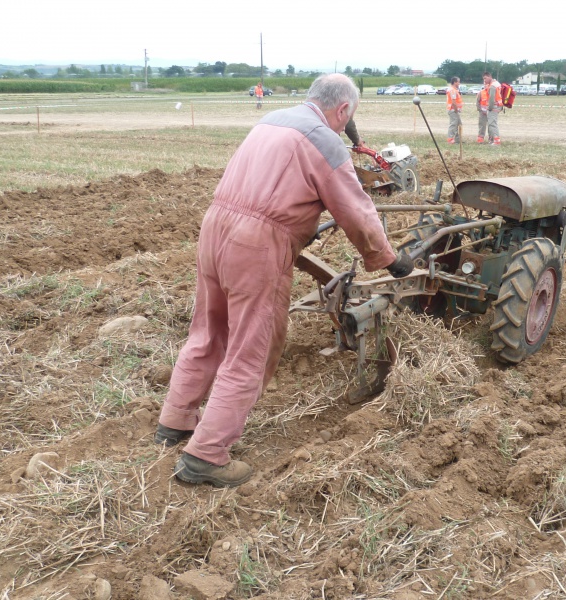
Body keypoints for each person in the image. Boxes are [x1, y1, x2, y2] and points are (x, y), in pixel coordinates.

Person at [155, 74, 413, 488]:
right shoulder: (324, 140)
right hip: (256, 243)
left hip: (216, 226)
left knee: (208, 330)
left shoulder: (273, 119)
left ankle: (176, 420)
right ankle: (205, 456)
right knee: (251, 348)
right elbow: (355, 210)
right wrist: (387, 258)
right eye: (350, 117)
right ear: (343, 109)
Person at [476, 72, 503, 146]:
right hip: (497, 106)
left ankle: (496, 141)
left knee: (492, 124)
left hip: (493, 107)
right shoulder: (497, 84)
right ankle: (494, 140)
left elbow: (491, 98)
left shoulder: (492, 86)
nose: (484, 81)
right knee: (492, 124)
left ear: (489, 77)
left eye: (485, 78)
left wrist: (490, 108)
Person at [446, 77, 463, 144]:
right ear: (455, 82)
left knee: (458, 124)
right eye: (458, 82)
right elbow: (453, 102)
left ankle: (457, 140)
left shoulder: (454, 90)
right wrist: (456, 110)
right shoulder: (452, 90)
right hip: (453, 110)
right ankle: (450, 139)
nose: (459, 83)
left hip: (455, 110)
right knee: (453, 124)